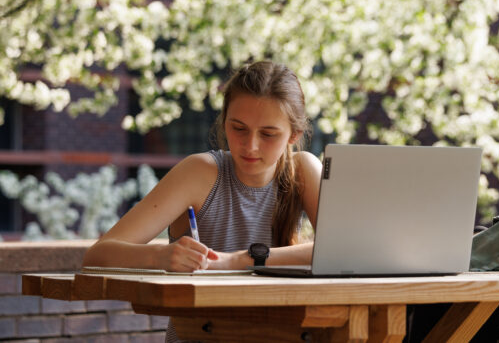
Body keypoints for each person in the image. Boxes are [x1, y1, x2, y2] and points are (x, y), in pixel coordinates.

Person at [83, 59, 322, 274]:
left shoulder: (302, 170)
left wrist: (237, 260)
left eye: (268, 134)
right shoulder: (201, 172)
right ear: (224, 119)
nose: (250, 146)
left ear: (294, 135)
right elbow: (97, 256)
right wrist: (159, 256)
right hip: (201, 323)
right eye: (238, 128)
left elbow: (347, 250)